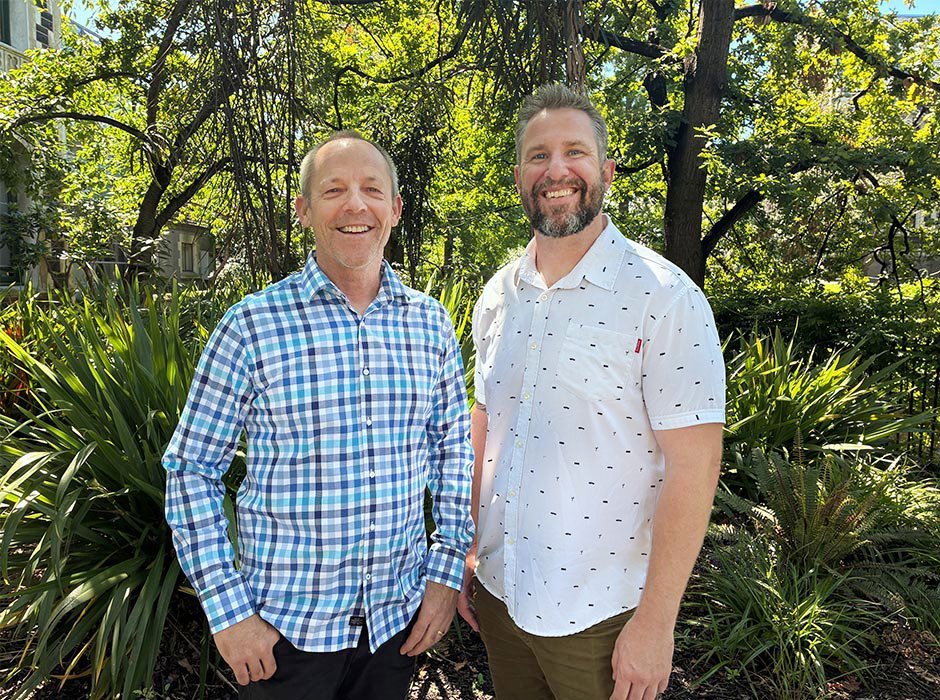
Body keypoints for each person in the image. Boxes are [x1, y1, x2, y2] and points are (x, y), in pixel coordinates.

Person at [164, 131, 474, 700]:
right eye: (334, 190)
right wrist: (228, 612)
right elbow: (191, 470)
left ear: (395, 209)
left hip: (394, 625)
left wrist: (444, 573)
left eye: (371, 189)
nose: (355, 205)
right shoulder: (251, 327)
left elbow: (454, 453)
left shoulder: (430, 325)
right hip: (285, 634)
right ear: (304, 209)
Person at [458, 84, 726, 700]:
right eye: (537, 155)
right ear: (521, 176)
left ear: (605, 171)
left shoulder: (664, 297)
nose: (556, 170)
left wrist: (656, 624)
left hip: (601, 617)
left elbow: (695, 463)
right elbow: (487, 427)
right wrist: (472, 546)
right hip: (502, 594)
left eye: (574, 152)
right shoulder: (499, 294)